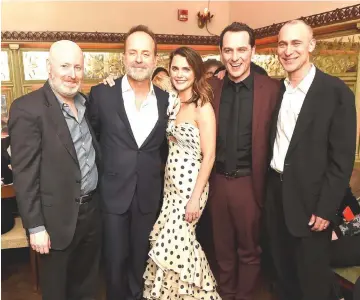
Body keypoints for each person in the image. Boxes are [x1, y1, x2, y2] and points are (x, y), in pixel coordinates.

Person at [266, 20, 356, 300]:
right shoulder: (276, 90)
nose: (288, 50)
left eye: (296, 43)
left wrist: (326, 208)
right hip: (275, 196)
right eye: (283, 44)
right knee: (281, 273)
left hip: (312, 204)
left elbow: (341, 159)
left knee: (311, 280)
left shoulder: (335, 92)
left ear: (311, 46)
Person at [8, 40, 101, 300]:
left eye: (78, 67)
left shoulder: (86, 103)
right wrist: (35, 226)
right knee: (57, 291)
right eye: (64, 66)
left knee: (87, 287)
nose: (72, 74)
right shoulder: (28, 108)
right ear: (49, 68)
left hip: (91, 214)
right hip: (55, 221)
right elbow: (24, 175)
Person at [88, 25, 169, 300]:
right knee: (114, 262)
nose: (138, 59)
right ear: (123, 57)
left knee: (142, 260)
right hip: (112, 194)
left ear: (155, 60)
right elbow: (91, 141)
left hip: (148, 194)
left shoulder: (166, 100)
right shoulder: (102, 94)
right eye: (132, 52)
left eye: (145, 53)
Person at [207, 22, 280, 300]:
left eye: (241, 49)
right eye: (228, 50)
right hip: (216, 182)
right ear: (221, 53)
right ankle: (225, 294)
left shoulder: (272, 90)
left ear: (253, 50)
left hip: (251, 183)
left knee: (249, 250)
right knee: (221, 249)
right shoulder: (210, 87)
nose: (234, 57)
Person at [142, 46, 219, 299]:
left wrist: (195, 198)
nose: (179, 73)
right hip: (170, 187)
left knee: (178, 245)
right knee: (170, 246)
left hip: (191, 187)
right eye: (175, 68)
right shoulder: (173, 102)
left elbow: (209, 156)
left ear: (196, 72)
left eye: (186, 68)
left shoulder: (202, 106)